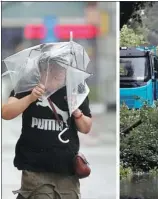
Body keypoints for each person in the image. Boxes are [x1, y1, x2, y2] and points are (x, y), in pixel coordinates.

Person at [1, 56, 92, 199]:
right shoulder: (27, 86)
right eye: (53, 69)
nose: (59, 73)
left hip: (67, 170)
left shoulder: (75, 90)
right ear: (43, 70)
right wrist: (30, 98)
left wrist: (76, 111)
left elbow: (86, 128)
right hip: (35, 169)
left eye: (62, 69)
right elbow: (6, 113)